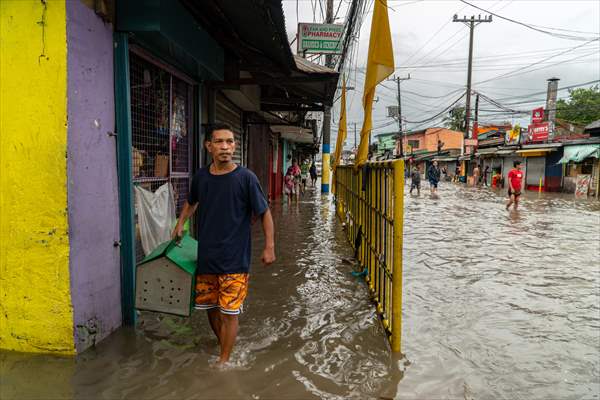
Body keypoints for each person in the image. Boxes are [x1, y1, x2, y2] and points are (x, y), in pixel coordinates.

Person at [171, 123, 275, 366]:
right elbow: (191, 201)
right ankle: (224, 346)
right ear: (209, 146)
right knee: (211, 308)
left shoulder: (246, 178)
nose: (226, 147)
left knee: (229, 313)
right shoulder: (201, 177)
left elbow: (265, 213)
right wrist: (180, 223)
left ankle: (224, 361)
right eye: (219, 142)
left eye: (230, 142)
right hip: (206, 258)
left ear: (235, 146)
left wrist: (269, 246)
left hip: (235, 260)